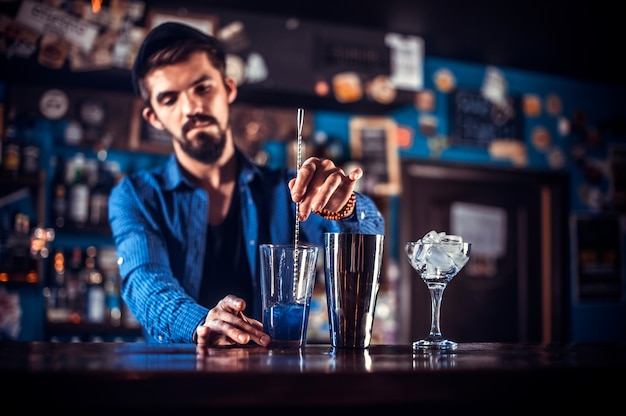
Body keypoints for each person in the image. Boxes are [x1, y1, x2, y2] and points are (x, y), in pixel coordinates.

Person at [108, 22, 385, 346]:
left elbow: (368, 242)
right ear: (154, 117)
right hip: (174, 385)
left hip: (276, 383)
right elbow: (145, 281)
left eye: (202, 88)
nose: (191, 108)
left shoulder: (288, 190)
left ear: (228, 88)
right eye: (169, 99)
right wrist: (201, 323)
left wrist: (345, 207)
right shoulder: (137, 196)